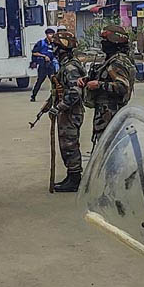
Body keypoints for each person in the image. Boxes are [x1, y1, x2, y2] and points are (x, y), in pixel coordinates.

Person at [81, 24, 136, 145]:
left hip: (112, 115)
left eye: (105, 40)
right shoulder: (110, 60)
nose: (103, 43)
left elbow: (123, 87)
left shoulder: (118, 61)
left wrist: (98, 85)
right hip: (105, 114)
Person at [48, 32, 86, 192]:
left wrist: (59, 107)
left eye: (55, 46)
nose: (53, 49)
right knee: (66, 145)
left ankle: (75, 178)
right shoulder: (66, 65)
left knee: (69, 145)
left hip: (71, 113)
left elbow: (74, 93)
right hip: (67, 112)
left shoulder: (70, 67)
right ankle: (72, 175)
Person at [30, 28, 56, 102]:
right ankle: (33, 96)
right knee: (39, 81)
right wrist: (44, 56)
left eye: (52, 34)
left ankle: (53, 97)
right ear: (47, 35)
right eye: (50, 34)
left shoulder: (54, 44)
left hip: (51, 65)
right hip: (43, 66)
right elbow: (34, 52)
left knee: (54, 82)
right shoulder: (41, 43)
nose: (51, 36)